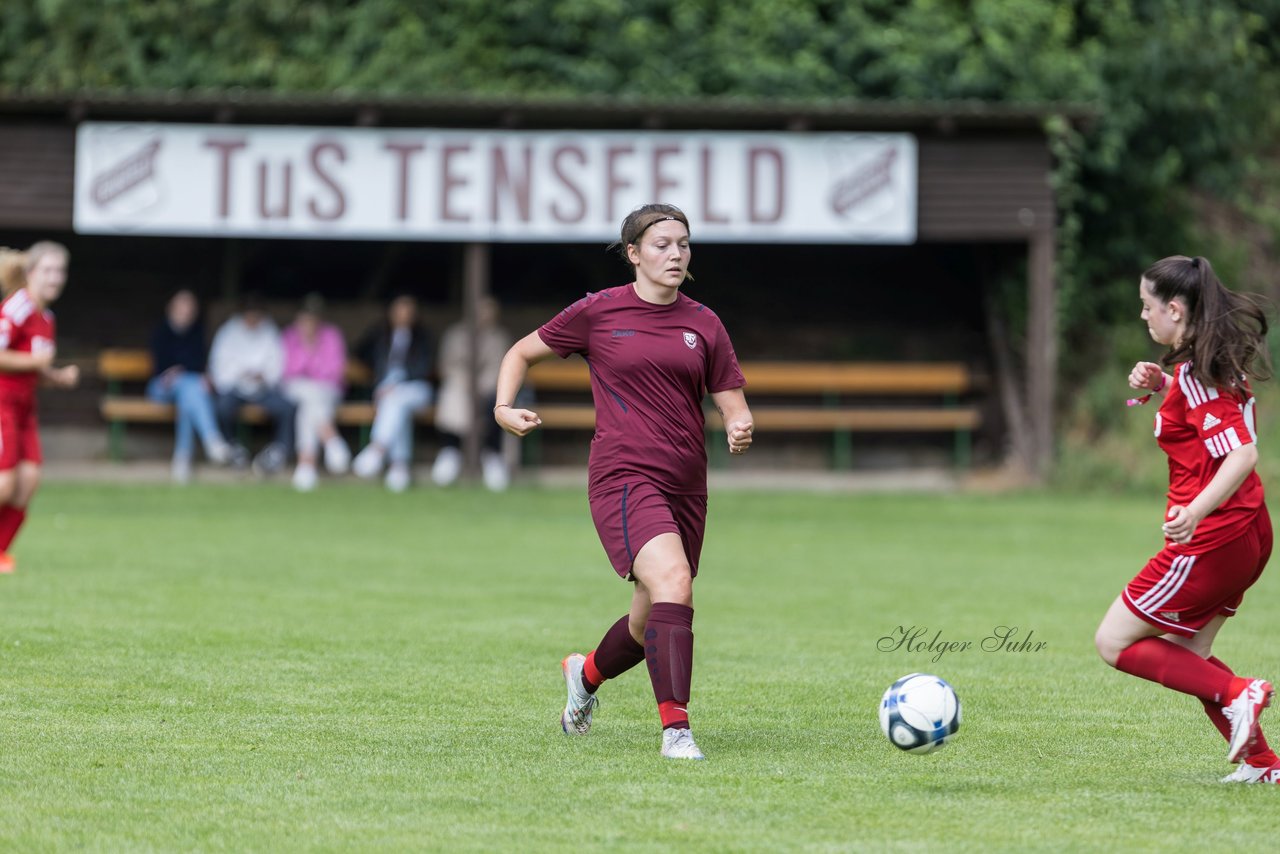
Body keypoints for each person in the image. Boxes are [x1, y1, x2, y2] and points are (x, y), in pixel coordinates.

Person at [493, 203, 754, 760]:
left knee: (651, 611)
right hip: (623, 476)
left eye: (683, 244)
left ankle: (583, 677)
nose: (676, 254)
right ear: (633, 253)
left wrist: (738, 424)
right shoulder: (598, 312)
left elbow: (731, 400)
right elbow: (521, 351)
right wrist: (503, 406)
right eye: (662, 244)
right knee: (675, 582)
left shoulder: (704, 323)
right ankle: (676, 731)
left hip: (687, 484)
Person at [1095, 254, 1278, 783]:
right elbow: (1206, 422)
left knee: (1113, 643)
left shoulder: (1198, 371)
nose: (1143, 317)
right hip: (1250, 529)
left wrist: (1194, 512)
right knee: (1189, 655)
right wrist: (1162, 387)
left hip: (1214, 536)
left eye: (1147, 306)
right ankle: (1266, 764)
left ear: (1175, 308)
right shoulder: (1212, 363)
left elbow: (1242, 454)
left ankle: (1241, 692)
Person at [0, 242, 80, 574]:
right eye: (47, 270)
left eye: (60, 271)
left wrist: (55, 377)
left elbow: (32, 367)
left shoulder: (47, 317)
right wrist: (36, 361)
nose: (54, 278)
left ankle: (0, 551)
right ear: (31, 273)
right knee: (4, 483)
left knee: (29, 480)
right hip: (2, 402)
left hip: (25, 409)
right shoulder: (17, 307)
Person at [147, 289, 244, 483]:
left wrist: (185, 372)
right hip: (160, 386)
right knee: (190, 387)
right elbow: (160, 366)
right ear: (172, 309)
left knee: (188, 400)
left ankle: (182, 460)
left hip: (187, 387)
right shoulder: (161, 332)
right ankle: (213, 441)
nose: (186, 313)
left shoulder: (197, 332)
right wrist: (176, 372)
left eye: (189, 310)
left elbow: (197, 363)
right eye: (182, 309)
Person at [352, 294, 434, 492]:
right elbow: (358, 353)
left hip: (416, 388)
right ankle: (399, 467)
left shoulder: (423, 337)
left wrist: (398, 381)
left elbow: (425, 368)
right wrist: (376, 378)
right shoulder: (380, 335)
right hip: (386, 392)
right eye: (398, 311)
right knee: (397, 407)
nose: (403, 315)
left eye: (407, 311)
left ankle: (377, 448)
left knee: (396, 400)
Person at [208, 293, 296, 476]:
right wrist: (240, 374)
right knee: (221, 407)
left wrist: (264, 376)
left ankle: (279, 451)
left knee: (287, 407)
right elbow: (218, 365)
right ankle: (232, 448)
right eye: (250, 315)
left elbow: (278, 364)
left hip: (263, 389)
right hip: (235, 388)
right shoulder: (228, 332)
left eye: (257, 316)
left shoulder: (270, 331)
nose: (254, 320)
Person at [431, 296, 513, 491]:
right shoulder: (455, 334)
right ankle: (450, 451)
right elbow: (447, 365)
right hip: (459, 385)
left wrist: (481, 386)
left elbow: (500, 368)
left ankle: (492, 456)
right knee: (452, 394)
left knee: (498, 402)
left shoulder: (500, 337)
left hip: (488, 388)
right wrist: (465, 383)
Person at [281, 293, 351, 491]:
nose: (308, 322)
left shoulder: (332, 335)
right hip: (296, 388)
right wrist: (306, 348)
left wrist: (312, 369)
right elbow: (288, 371)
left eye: (312, 318)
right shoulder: (290, 336)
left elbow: (335, 372)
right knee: (308, 395)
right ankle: (330, 439)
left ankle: (306, 464)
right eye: (304, 317)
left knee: (309, 406)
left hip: (326, 391)